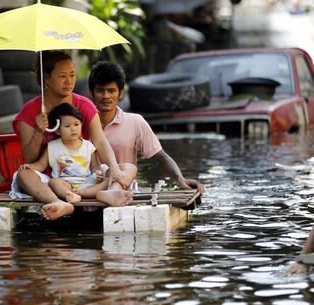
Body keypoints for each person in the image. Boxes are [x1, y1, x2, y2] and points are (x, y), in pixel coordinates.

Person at [11, 51, 132, 220]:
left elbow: (99, 141)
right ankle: (59, 203)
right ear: (46, 79)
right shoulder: (30, 112)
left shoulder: (84, 105)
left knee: (127, 168)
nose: (69, 81)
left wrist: (115, 169)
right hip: (52, 181)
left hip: (87, 176)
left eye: (72, 75)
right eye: (62, 76)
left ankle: (110, 193)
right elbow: (30, 159)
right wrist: (39, 132)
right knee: (23, 175)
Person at [88, 61, 205, 195]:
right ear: (91, 92)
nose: (106, 96)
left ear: (121, 94)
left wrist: (180, 179)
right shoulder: (79, 124)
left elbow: (161, 157)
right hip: (89, 192)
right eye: (100, 91)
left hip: (125, 193)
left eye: (111, 91)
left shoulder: (135, 122)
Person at [20, 103, 117, 215]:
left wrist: (97, 173)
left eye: (76, 124)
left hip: (87, 182)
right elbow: (42, 164)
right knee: (53, 182)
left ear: (81, 125)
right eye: (67, 126)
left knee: (106, 180)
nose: (73, 129)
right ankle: (72, 195)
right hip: (65, 184)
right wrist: (31, 167)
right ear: (57, 130)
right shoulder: (52, 146)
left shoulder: (88, 146)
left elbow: (95, 166)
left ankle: (86, 194)